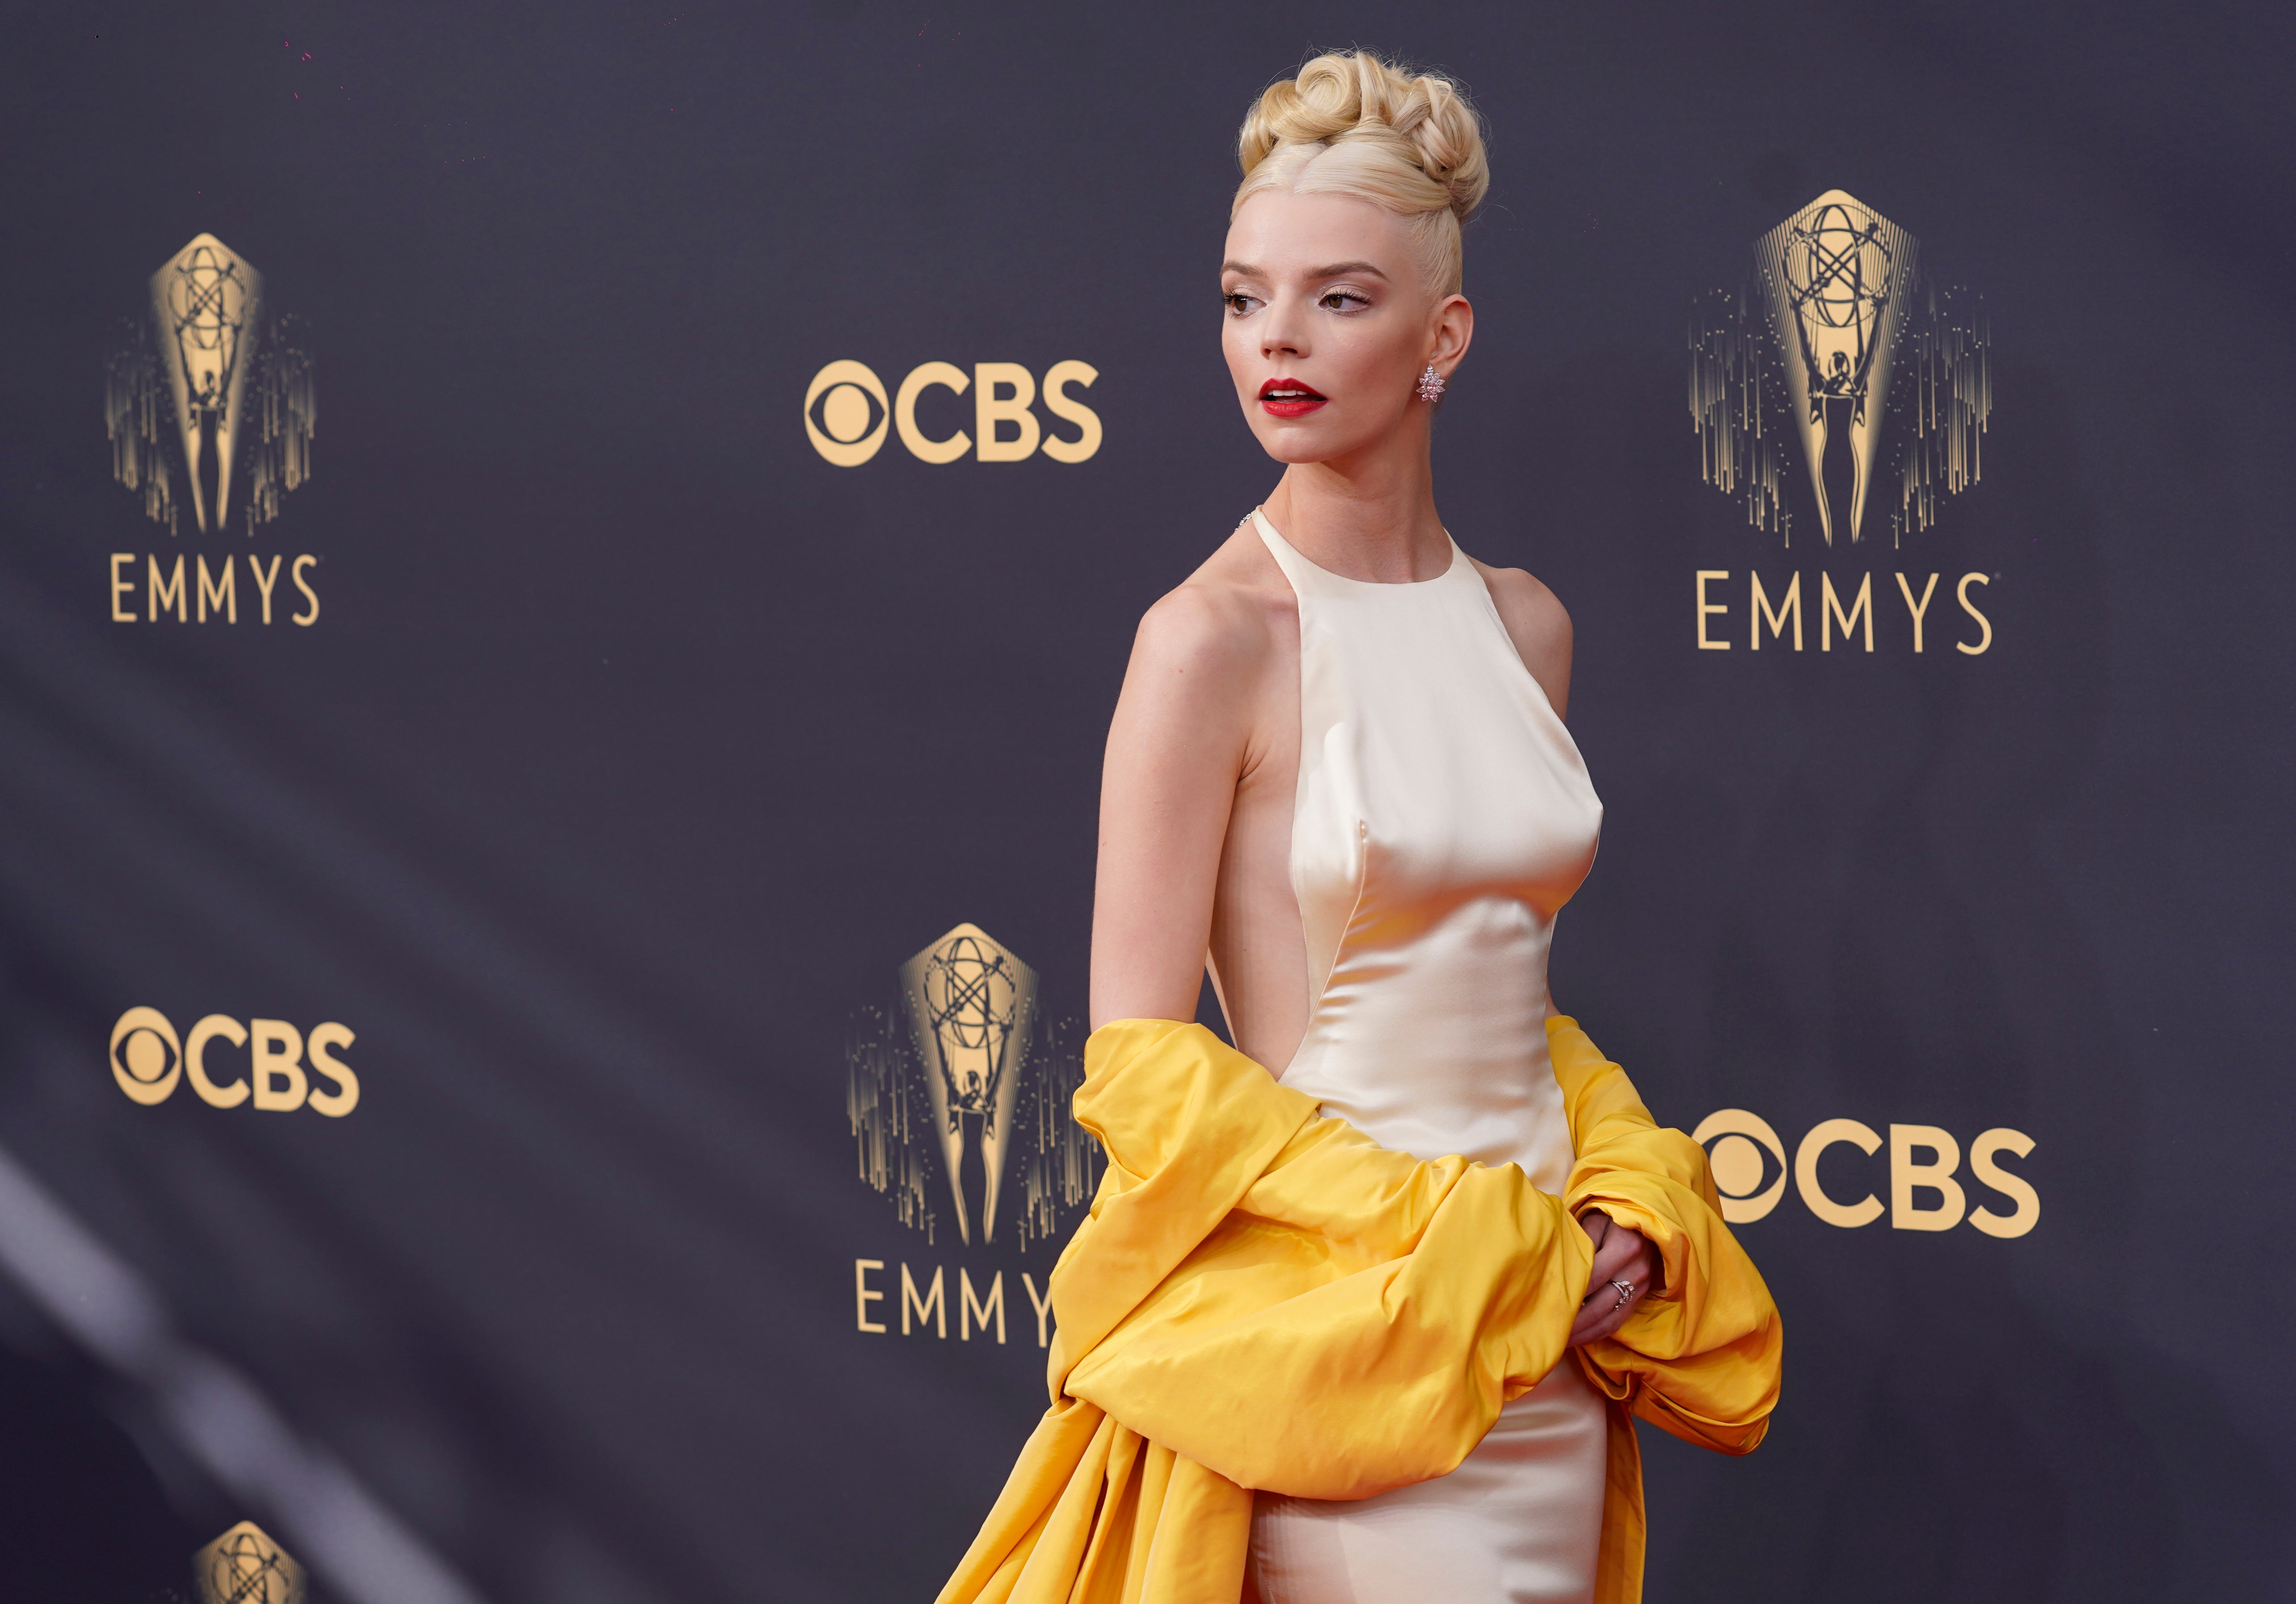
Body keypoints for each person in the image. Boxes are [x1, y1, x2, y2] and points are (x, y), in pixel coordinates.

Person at [938, 50, 1777, 1604]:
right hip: (1349, 1336)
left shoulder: (1528, 630)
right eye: (1244, 296)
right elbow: (1142, 1060)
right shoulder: (1211, 638)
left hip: (1554, 1343)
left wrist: (1622, 1202)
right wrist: (1452, 1230)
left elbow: (1502, 988)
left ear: (1441, 334)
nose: (1276, 340)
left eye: (1337, 298)